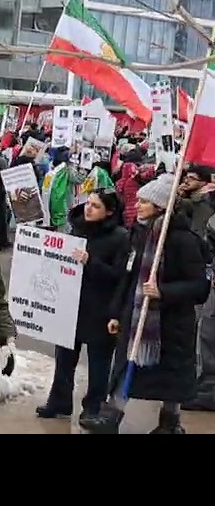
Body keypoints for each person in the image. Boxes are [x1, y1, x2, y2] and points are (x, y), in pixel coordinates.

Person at [85, 174, 210, 434]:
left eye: (144, 201)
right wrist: (116, 313)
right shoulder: (140, 234)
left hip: (170, 325)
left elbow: (199, 287)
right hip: (136, 317)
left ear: (160, 206)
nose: (137, 205)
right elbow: (129, 277)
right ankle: (111, 418)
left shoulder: (183, 240)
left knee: (170, 379)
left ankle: (170, 423)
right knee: (125, 367)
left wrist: (162, 291)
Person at [35, 190, 129, 428]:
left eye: (95, 206)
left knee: (99, 363)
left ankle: (93, 407)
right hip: (70, 304)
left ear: (109, 211)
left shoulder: (120, 237)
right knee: (64, 358)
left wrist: (90, 262)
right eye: (88, 203)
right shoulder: (76, 230)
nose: (88, 209)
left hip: (101, 309)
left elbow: (119, 276)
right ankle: (59, 401)